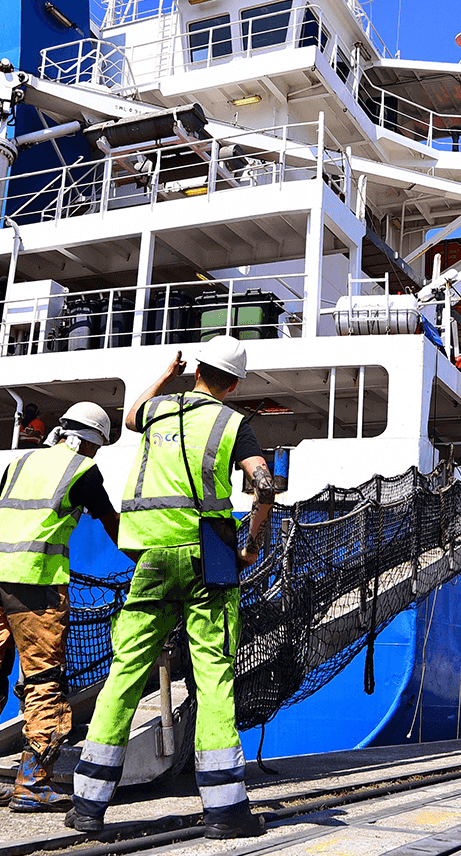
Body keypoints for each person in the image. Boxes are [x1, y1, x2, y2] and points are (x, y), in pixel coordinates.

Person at [68, 336, 275, 839]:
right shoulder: (231, 423)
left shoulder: (159, 410)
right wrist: (252, 542)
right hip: (211, 559)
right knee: (214, 674)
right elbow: (263, 483)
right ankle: (225, 811)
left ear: (198, 368)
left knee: (124, 673)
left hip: (151, 557)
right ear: (235, 382)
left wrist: (167, 372)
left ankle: (88, 806)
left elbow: (130, 414)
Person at [0, 401, 120, 810]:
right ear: (87, 440)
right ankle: (33, 783)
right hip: (35, 580)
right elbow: (112, 523)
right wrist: (145, 561)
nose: (95, 455)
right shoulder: (82, 469)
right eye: (96, 446)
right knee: (44, 678)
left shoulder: (20, 463)